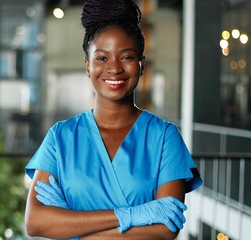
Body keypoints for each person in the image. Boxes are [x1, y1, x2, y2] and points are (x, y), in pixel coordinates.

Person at [24, 0, 203, 239]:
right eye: (101, 58)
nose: (114, 68)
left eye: (127, 57)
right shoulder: (61, 137)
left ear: (141, 66)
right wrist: (131, 216)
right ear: (87, 66)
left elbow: (165, 229)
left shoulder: (164, 137)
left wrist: (73, 228)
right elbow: (35, 223)